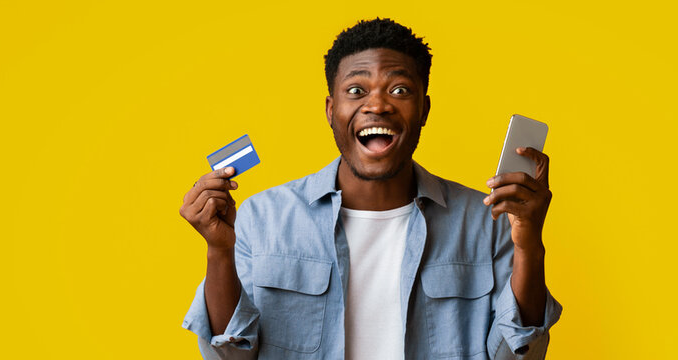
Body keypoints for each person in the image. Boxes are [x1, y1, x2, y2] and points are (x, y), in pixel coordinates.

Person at [179, 18, 562, 359]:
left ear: (424, 110)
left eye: (399, 90)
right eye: (357, 91)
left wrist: (529, 242)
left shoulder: (485, 220)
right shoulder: (264, 216)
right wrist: (219, 251)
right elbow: (230, 356)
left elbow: (519, 355)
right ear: (331, 110)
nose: (377, 105)